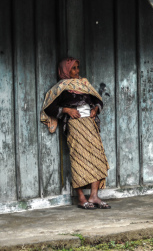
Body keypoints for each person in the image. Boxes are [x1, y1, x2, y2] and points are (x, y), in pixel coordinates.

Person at [40, 57, 111, 209]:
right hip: (74, 125)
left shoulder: (84, 84)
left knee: (98, 157)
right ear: (65, 71)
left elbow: (97, 100)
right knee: (78, 159)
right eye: (73, 68)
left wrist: (95, 109)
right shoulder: (61, 88)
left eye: (78, 67)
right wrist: (66, 110)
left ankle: (93, 196)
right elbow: (48, 107)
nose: (77, 71)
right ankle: (80, 197)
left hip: (90, 124)